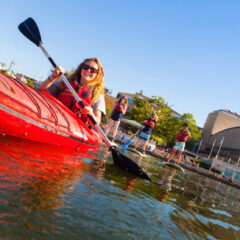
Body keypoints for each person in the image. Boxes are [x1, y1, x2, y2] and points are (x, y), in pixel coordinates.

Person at [38, 58, 106, 124]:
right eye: (86, 67)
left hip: (75, 127)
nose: (88, 70)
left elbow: (97, 120)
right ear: (81, 69)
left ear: (97, 74)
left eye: (93, 70)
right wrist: (53, 77)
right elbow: (40, 90)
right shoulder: (65, 82)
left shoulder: (97, 94)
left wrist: (91, 115)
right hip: (55, 118)